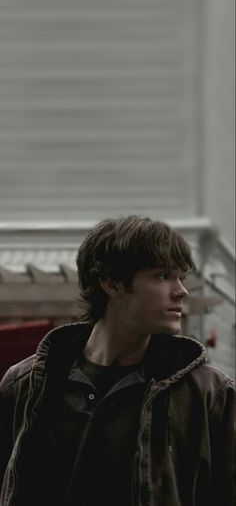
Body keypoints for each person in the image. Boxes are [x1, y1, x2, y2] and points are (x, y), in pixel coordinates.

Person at [0, 215, 235, 506]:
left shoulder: (209, 394)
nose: (181, 290)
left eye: (180, 277)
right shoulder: (26, 385)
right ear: (112, 282)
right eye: (162, 275)